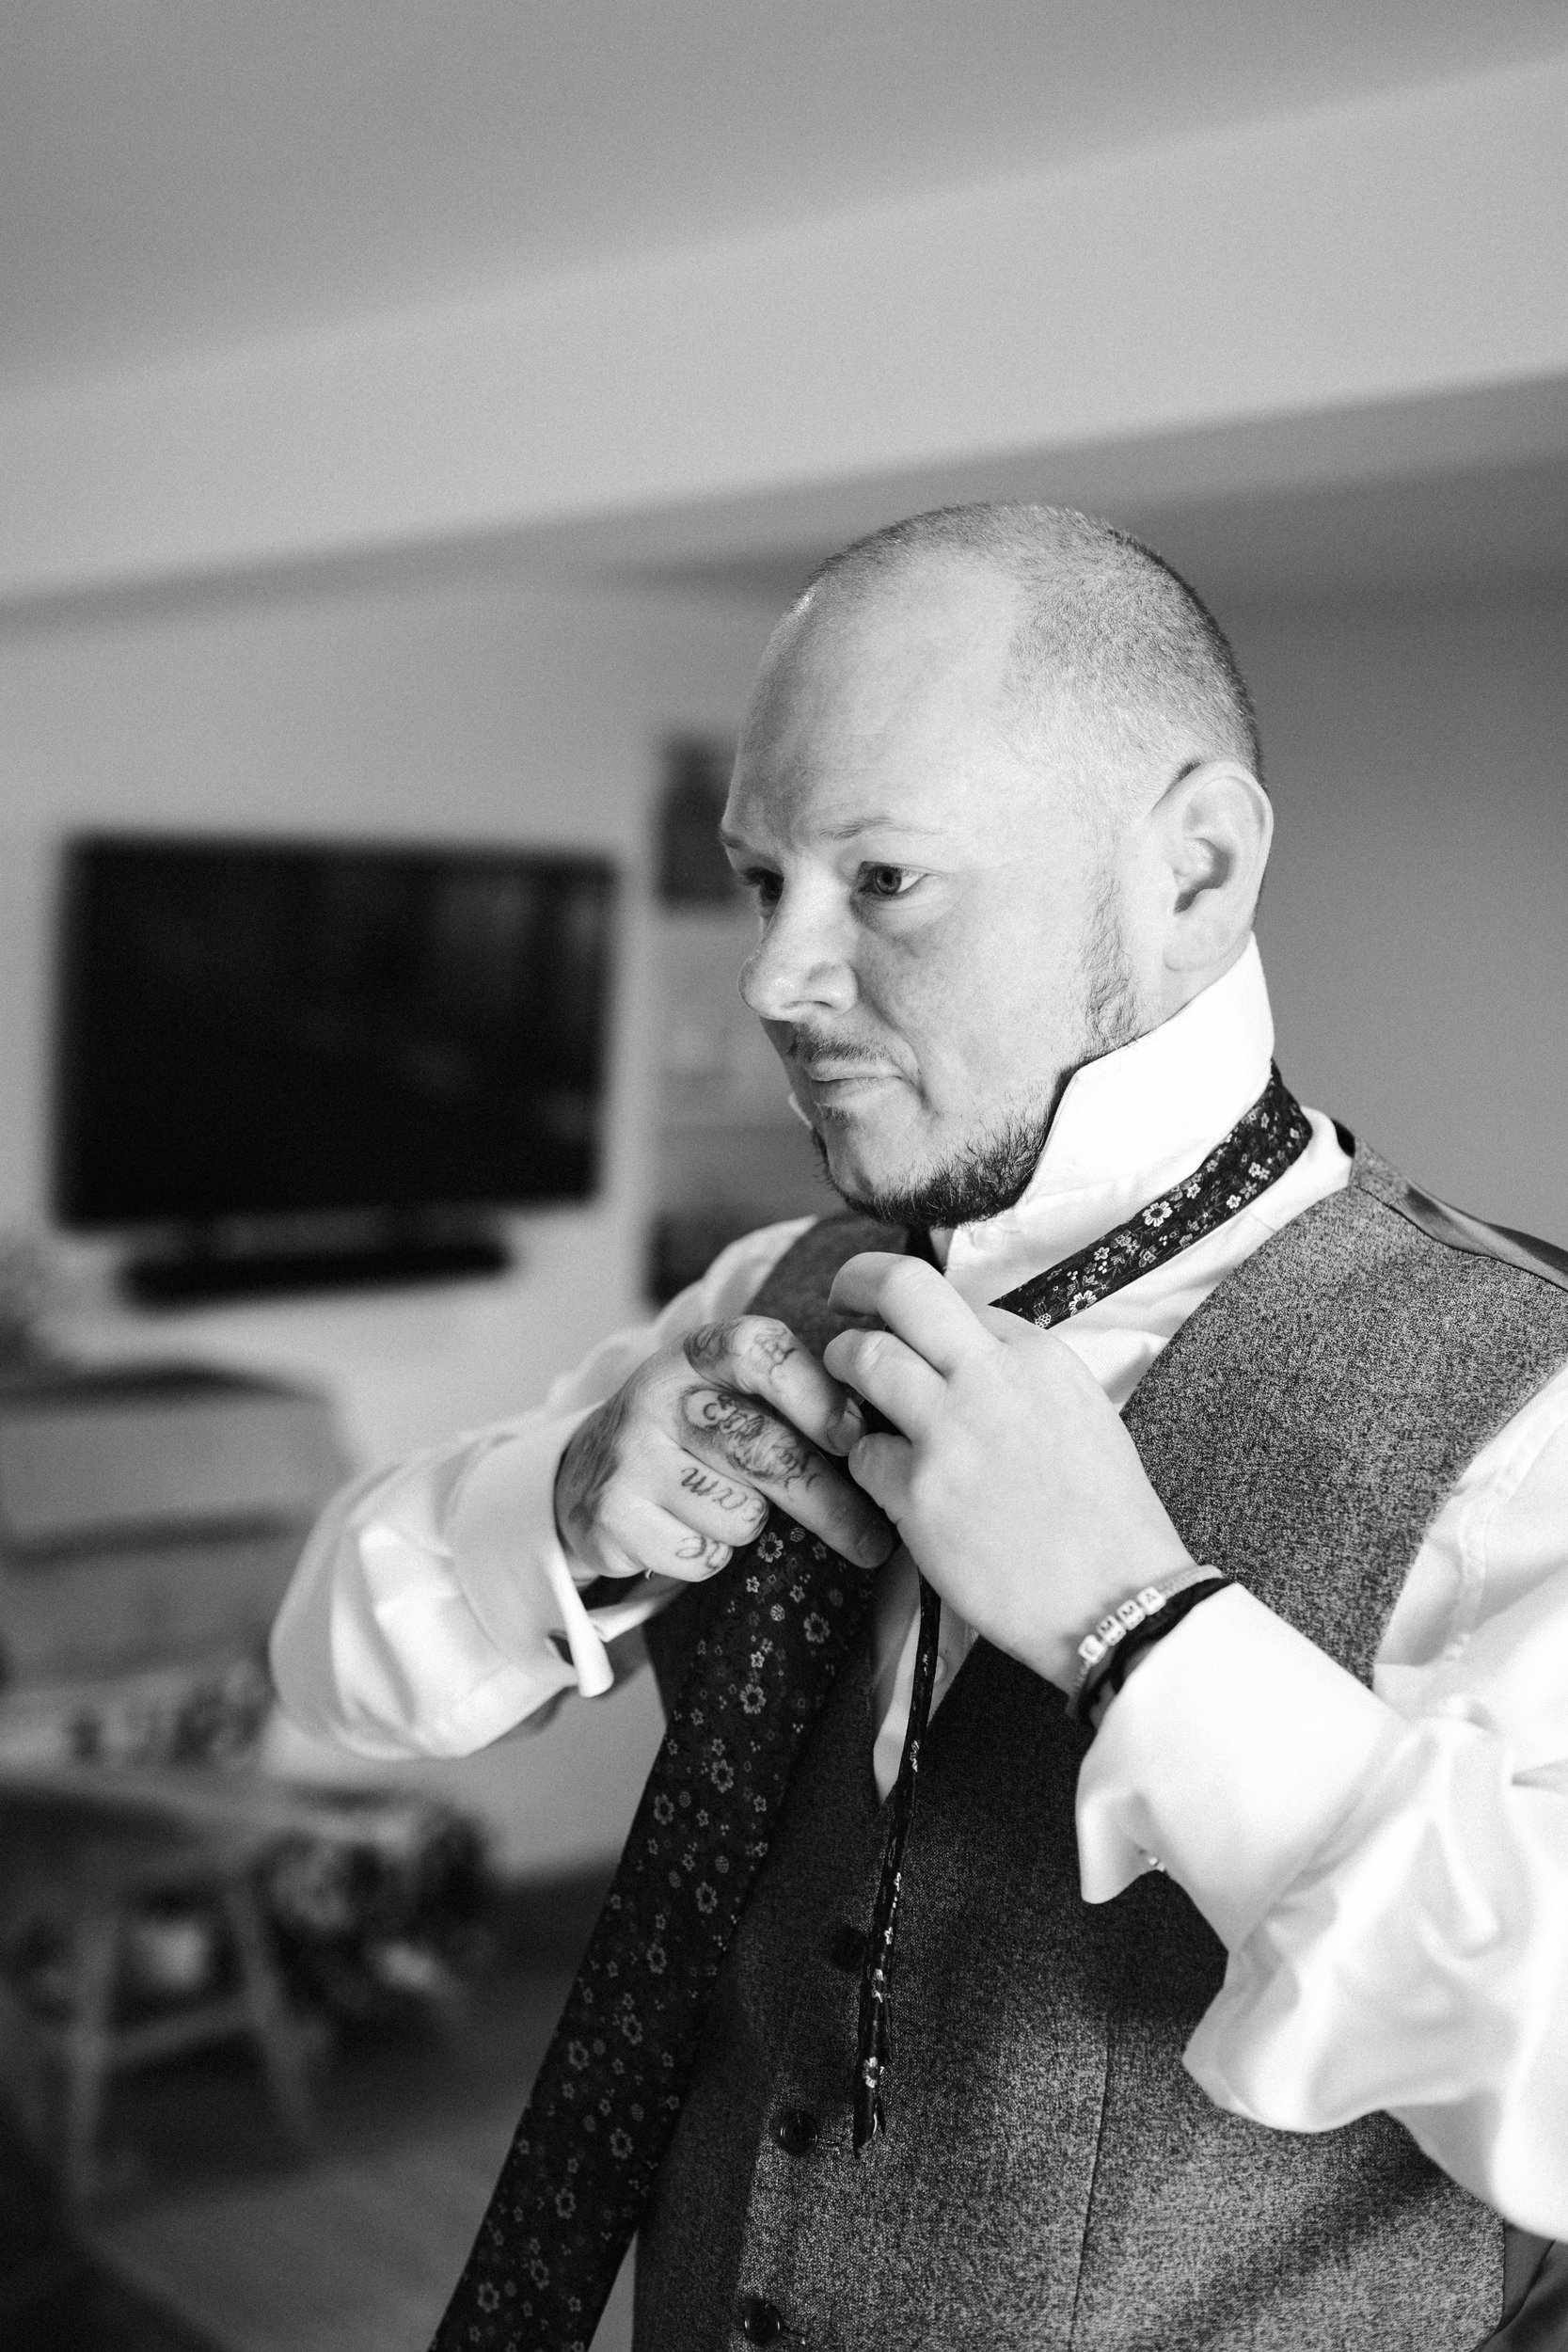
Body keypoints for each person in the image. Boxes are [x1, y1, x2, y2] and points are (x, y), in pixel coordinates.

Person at [272, 505, 1568, 2350]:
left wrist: (1139, 1624)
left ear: (1194, 868)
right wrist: (560, 1507)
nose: (775, 980)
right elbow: (334, 1668)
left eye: (883, 880)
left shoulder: (1533, 1406)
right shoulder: (773, 1292)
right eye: (758, 878)